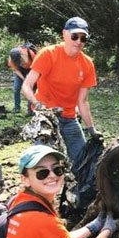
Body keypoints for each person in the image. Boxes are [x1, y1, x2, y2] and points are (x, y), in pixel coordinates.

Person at [21, 17, 103, 167]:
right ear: (64, 34)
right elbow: (26, 86)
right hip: (46, 117)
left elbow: (82, 101)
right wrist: (38, 105)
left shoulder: (87, 64)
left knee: (83, 162)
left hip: (69, 118)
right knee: (42, 162)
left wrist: (91, 129)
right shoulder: (48, 54)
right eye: (74, 36)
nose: (78, 41)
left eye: (83, 38)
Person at [8, 42, 37, 113]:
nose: (19, 62)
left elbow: (36, 67)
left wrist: (29, 80)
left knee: (31, 89)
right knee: (16, 88)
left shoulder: (31, 54)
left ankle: (30, 110)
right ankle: (16, 107)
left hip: (32, 70)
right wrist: (24, 79)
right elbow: (16, 70)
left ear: (21, 55)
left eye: (20, 60)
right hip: (20, 72)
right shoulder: (12, 59)